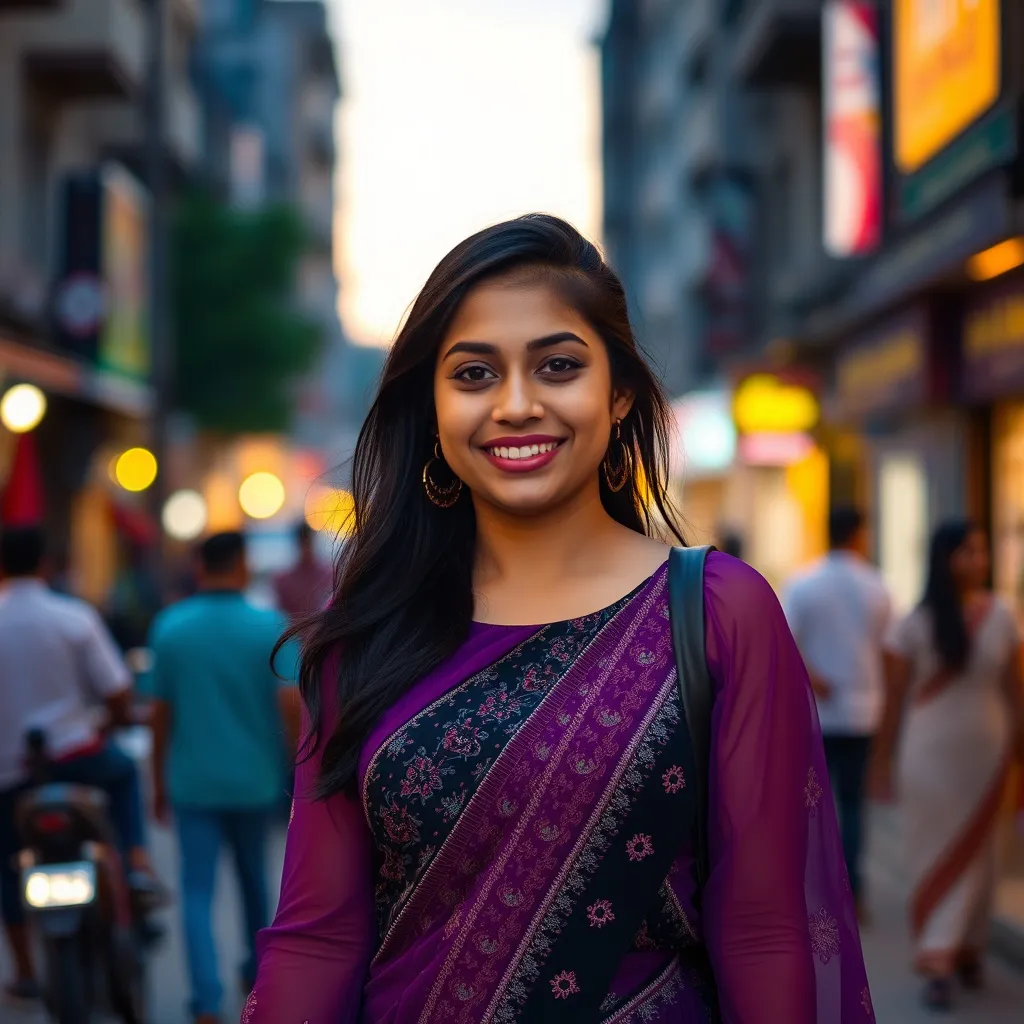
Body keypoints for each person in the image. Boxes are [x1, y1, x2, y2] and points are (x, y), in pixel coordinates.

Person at [245, 215, 870, 1022]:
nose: (515, 404)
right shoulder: (363, 635)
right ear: (431, 411)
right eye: (473, 374)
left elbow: (764, 929)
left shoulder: (718, 614)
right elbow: (318, 937)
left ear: (616, 398)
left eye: (558, 366)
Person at [0, 526, 163, 1003]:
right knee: (126, 771)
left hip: (10, 777)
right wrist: (112, 723)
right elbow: (116, 692)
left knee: (7, 867)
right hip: (80, 760)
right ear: (46, 563)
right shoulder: (73, 618)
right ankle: (135, 862)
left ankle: (26, 969)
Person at [144, 531, 300, 1024]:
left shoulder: (170, 627)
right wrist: (299, 769)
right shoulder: (268, 626)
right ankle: (257, 978)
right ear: (240, 565)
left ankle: (206, 1002)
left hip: (192, 783)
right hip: (254, 781)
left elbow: (159, 716)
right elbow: (291, 707)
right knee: (255, 882)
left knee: (195, 889)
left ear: (199, 565)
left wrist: (157, 783)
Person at [871, 520, 1024, 1012]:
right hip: (928, 759)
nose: (975, 562)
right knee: (932, 851)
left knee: (986, 855)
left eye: (979, 552)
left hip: (991, 758)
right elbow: (892, 703)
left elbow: (1016, 691)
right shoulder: (912, 624)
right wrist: (880, 763)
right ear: (942, 560)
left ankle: (970, 949)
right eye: (964, 553)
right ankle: (936, 957)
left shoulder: (1004, 616)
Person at [783, 506, 892, 918]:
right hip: (866, 710)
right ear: (859, 534)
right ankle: (854, 893)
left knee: (813, 805)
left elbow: (787, 641)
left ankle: (816, 892)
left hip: (817, 714)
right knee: (853, 805)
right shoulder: (877, 585)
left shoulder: (804, 583)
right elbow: (889, 648)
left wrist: (816, 677)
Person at [271, 521, 333, 624]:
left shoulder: (330, 574)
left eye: (307, 542)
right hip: (296, 636)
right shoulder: (283, 580)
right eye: (303, 543)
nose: (306, 548)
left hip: (316, 635)